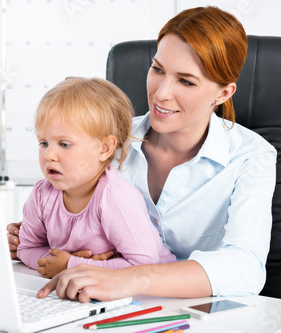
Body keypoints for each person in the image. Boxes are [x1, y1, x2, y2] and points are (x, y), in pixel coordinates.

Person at [8, 6, 276, 301]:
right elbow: (67, 215)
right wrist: (37, 238)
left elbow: (246, 268)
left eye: (185, 81)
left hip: (201, 312)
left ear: (223, 93)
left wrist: (132, 276)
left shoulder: (252, 157)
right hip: (101, 306)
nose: (161, 93)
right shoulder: (106, 140)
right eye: (158, 69)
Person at [16, 77, 176, 278]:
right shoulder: (42, 194)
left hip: (153, 294)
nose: (49, 155)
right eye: (44, 143)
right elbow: (26, 248)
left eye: (64, 144)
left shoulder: (115, 196)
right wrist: (60, 262)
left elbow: (145, 265)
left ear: (105, 148)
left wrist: (71, 265)